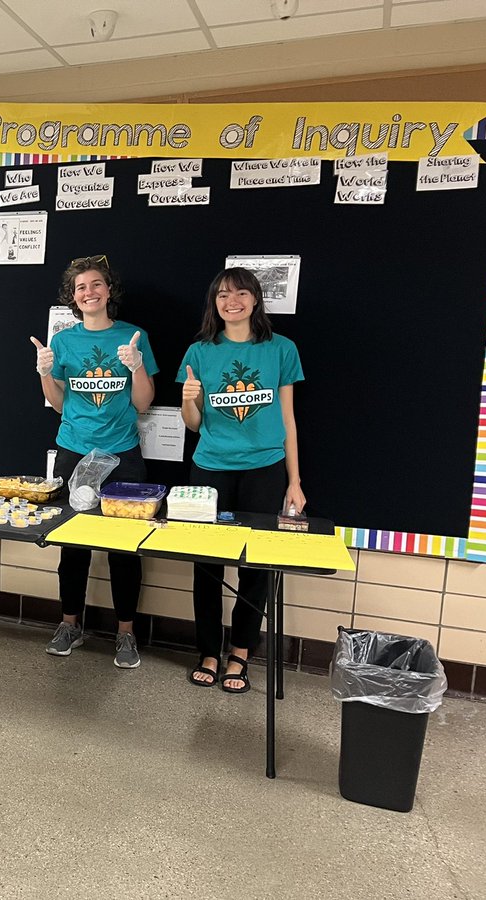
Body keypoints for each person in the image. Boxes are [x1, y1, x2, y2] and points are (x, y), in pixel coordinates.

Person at [178, 267, 305, 693]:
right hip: (210, 468)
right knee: (207, 566)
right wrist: (189, 403)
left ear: (255, 299)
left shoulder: (281, 349)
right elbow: (193, 426)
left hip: (265, 469)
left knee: (256, 566)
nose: (232, 301)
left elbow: (288, 418)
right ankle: (209, 651)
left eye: (240, 293)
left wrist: (295, 481)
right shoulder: (198, 352)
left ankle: (241, 653)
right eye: (222, 295)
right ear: (214, 304)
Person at [32, 255, 158, 668]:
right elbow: (57, 403)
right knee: (72, 544)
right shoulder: (65, 341)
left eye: (96, 284)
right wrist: (45, 374)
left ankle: (126, 633)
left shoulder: (133, 336)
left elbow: (143, 403)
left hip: (122, 455)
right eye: (81, 287)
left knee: (125, 549)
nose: (90, 292)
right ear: (73, 297)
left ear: (109, 291)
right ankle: (70, 624)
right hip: (74, 451)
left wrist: (136, 367)